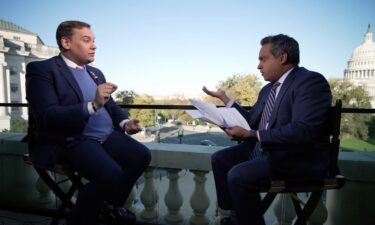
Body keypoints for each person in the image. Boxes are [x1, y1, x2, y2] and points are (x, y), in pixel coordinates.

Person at [25, 20, 151, 225]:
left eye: (94, 41)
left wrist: (125, 123)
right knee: (111, 174)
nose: (94, 45)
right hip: (73, 139)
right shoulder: (42, 70)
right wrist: (93, 105)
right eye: (86, 40)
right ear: (66, 42)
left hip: (106, 135)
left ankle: (111, 205)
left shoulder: (95, 72)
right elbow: (46, 116)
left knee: (141, 155)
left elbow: (111, 106)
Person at [203, 34, 332, 225]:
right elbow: (251, 122)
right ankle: (230, 216)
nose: (258, 66)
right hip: (266, 151)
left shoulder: (310, 82)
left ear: (282, 57)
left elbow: (303, 130)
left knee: (238, 176)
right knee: (220, 159)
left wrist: (251, 134)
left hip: (294, 157)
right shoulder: (267, 89)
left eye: (263, 59)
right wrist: (225, 101)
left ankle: (241, 219)